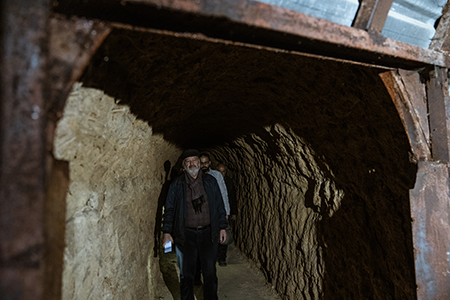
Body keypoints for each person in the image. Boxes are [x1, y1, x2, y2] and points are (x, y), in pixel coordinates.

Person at [162, 149, 228, 300]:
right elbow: (170, 209)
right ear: (184, 165)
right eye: (188, 161)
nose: (192, 164)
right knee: (187, 274)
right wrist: (166, 232)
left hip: (208, 234)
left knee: (210, 273)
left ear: (199, 162)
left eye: (194, 160)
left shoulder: (210, 182)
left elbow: (219, 205)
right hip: (186, 235)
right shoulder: (177, 184)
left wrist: (222, 227)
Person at [216, 163, 238, 266]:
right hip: (214, 213)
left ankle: (222, 258)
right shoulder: (212, 180)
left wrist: (233, 212)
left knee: (224, 235)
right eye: (220, 171)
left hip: (225, 213)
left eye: (223, 171)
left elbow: (232, 197)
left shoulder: (229, 182)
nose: (222, 174)